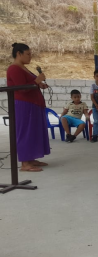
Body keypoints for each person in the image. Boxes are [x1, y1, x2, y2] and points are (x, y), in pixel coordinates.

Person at [6, 43, 50, 172]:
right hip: (24, 105)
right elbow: (21, 88)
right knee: (26, 132)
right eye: (28, 54)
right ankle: (25, 163)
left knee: (33, 132)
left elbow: (28, 84)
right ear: (19, 54)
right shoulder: (14, 68)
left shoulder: (23, 68)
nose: (30, 57)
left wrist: (38, 84)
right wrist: (36, 81)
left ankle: (30, 158)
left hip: (33, 104)